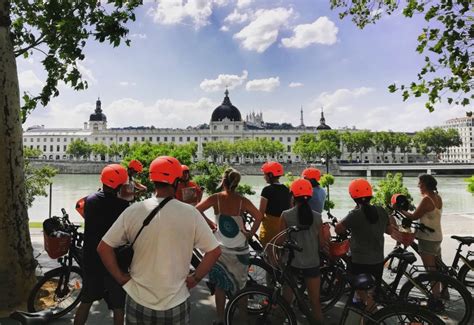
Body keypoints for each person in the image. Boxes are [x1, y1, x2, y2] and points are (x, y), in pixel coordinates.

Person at [97, 156, 221, 325]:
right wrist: (196, 278)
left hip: (138, 299)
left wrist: (120, 277)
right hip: (175, 302)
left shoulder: (134, 210)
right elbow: (214, 251)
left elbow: (103, 248)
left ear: (152, 180)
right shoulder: (190, 213)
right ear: (176, 181)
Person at [195, 168, 262, 325]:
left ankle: (220, 319)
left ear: (223, 182)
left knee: (220, 286)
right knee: (241, 286)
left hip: (220, 249)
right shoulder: (242, 200)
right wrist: (250, 233)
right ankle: (244, 319)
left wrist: (210, 223)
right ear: (236, 184)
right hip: (240, 249)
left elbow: (196, 210)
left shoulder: (215, 198)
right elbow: (259, 216)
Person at [74, 164, 130, 325]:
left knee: (85, 302)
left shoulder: (90, 200)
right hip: (114, 262)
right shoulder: (122, 205)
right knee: (118, 307)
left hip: (92, 260)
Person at [335, 178, 392, 310]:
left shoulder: (355, 214)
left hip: (359, 261)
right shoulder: (381, 210)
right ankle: (373, 313)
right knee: (372, 292)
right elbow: (389, 230)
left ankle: (369, 308)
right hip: (378, 260)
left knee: (360, 291)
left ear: (353, 197)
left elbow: (338, 229)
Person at [280, 178, 325, 324]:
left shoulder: (286, 215)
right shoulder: (318, 217)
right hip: (312, 263)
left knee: (285, 301)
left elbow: (280, 241)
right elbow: (322, 244)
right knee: (315, 302)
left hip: (291, 263)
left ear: (293, 195)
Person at [400, 174, 444, 304]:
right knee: (437, 267)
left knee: (431, 270)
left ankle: (436, 299)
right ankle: (443, 291)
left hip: (427, 239)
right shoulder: (438, 197)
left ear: (425, 184)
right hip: (437, 237)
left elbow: (413, 216)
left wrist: (400, 209)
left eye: (419, 183)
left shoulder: (426, 200)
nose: (418, 186)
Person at [259, 161, 291, 246]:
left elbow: (260, 214)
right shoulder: (286, 189)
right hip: (283, 230)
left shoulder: (266, 190)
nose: (264, 177)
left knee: (269, 255)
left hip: (269, 230)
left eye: (265, 174)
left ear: (270, 175)